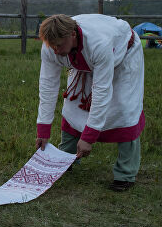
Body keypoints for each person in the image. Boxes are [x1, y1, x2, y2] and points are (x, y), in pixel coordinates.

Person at [35, 14, 145, 192]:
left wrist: (88, 137)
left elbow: (102, 91)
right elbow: (48, 85)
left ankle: (125, 173)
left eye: (59, 45)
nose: (55, 50)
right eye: (52, 46)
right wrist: (43, 129)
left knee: (123, 109)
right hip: (83, 59)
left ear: (72, 35)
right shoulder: (52, 45)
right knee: (73, 106)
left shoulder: (99, 43)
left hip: (123, 54)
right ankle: (66, 158)